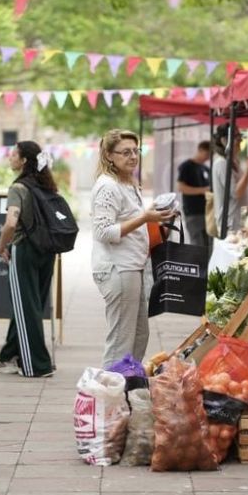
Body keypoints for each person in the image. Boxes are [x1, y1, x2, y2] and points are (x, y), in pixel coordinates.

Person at [91, 129, 174, 368]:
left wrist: (158, 219)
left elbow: (134, 224)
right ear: (109, 156)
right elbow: (103, 232)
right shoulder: (108, 186)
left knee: (139, 335)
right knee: (120, 340)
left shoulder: (128, 183)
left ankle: (127, 386)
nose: (133, 157)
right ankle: (109, 396)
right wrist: (144, 218)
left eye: (136, 151)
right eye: (125, 152)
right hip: (117, 268)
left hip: (132, 267)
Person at [0, 141, 57, 379]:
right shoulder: (46, 185)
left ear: (24, 160)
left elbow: (11, 222)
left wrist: (0, 245)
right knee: (31, 304)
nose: (10, 157)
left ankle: (38, 365)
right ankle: (9, 356)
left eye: (13, 154)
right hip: (47, 250)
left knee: (25, 307)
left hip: (25, 249)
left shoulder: (19, 187)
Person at [212, 123, 248, 237]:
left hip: (239, 221)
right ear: (224, 140)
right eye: (236, 137)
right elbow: (236, 193)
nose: (240, 140)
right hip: (230, 223)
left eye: (240, 136)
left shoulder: (234, 161)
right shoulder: (221, 163)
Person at [176, 140, 211, 248]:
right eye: (207, 154)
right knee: (197, 244)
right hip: (193, 212)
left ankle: (207, 265)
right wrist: (202, 190)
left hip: (207, 211)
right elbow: (181, 187)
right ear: (200, 150)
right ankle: (197, 265)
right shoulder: (186, 166)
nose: (208, 157)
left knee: (208, 244)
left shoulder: (206, 168)